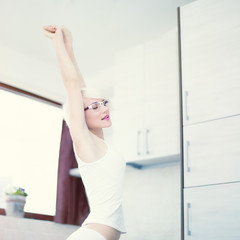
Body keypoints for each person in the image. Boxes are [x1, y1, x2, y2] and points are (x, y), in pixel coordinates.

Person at [43, 25, 126, 240]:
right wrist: (57, 43)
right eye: (95, 107)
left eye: (103, 103)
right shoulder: (84, 141)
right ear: (78, 116)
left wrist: (70, 45)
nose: (105, 108)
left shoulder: (99, 141)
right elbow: (72, 86)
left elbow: (80, 87)